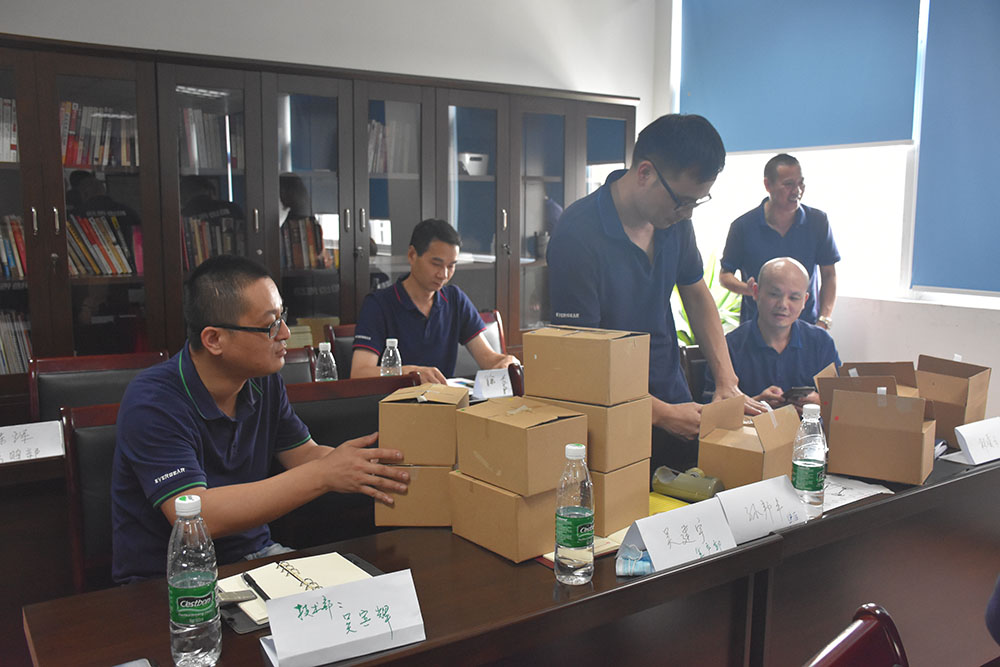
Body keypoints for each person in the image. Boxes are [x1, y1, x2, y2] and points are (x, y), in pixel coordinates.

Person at [110, 255, 409, 583]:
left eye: (282, 317)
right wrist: (324, 474)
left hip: (256, 556)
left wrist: (374, 467)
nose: (285, 333)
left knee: (368, 593)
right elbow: (199, 515)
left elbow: (304, 454)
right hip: (172, 579)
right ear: (214, 339)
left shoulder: (262, 381)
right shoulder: (153, 400)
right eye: (270, 325)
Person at [547, 114, 759, 473]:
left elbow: (696, 293)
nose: (687, 213)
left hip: (670, 394)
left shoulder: (674, 223)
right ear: (645, 173)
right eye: (682, 201)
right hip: (610, 412)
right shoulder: (577, 235)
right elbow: (582, 362)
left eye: (697, 202)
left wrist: (727, 380)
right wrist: (661, 414)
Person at [351, 218, 518, 384]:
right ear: (412, 255)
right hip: (397, 400)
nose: (443, 275)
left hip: (445, 398)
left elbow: (487, 358)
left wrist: (505, 362)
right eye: (436, 264)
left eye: (451, 266)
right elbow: (360, 372)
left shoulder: (455, 299)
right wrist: (412, 373)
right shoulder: (378, 305)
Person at [719, 153, 840, 330]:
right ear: (768, 185)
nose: (797, 191)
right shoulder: (743, 226)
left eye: (801, 183)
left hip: (805, 327)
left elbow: (829, 275)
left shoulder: (818, 221)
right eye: (788, 184)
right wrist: (748, 289)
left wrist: (824, 320)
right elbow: (725, 276)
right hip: (756, 329)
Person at [704, 257, 840, 412]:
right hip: (750, 427)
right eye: (774, 294)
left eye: (794, 298)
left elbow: (841, 400)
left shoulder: (820, 342)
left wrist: (819, 402)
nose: (783, 305)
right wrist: (755, 403)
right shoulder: (730, 346)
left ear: (805, 300)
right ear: (756, 292)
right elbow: (710, 410)